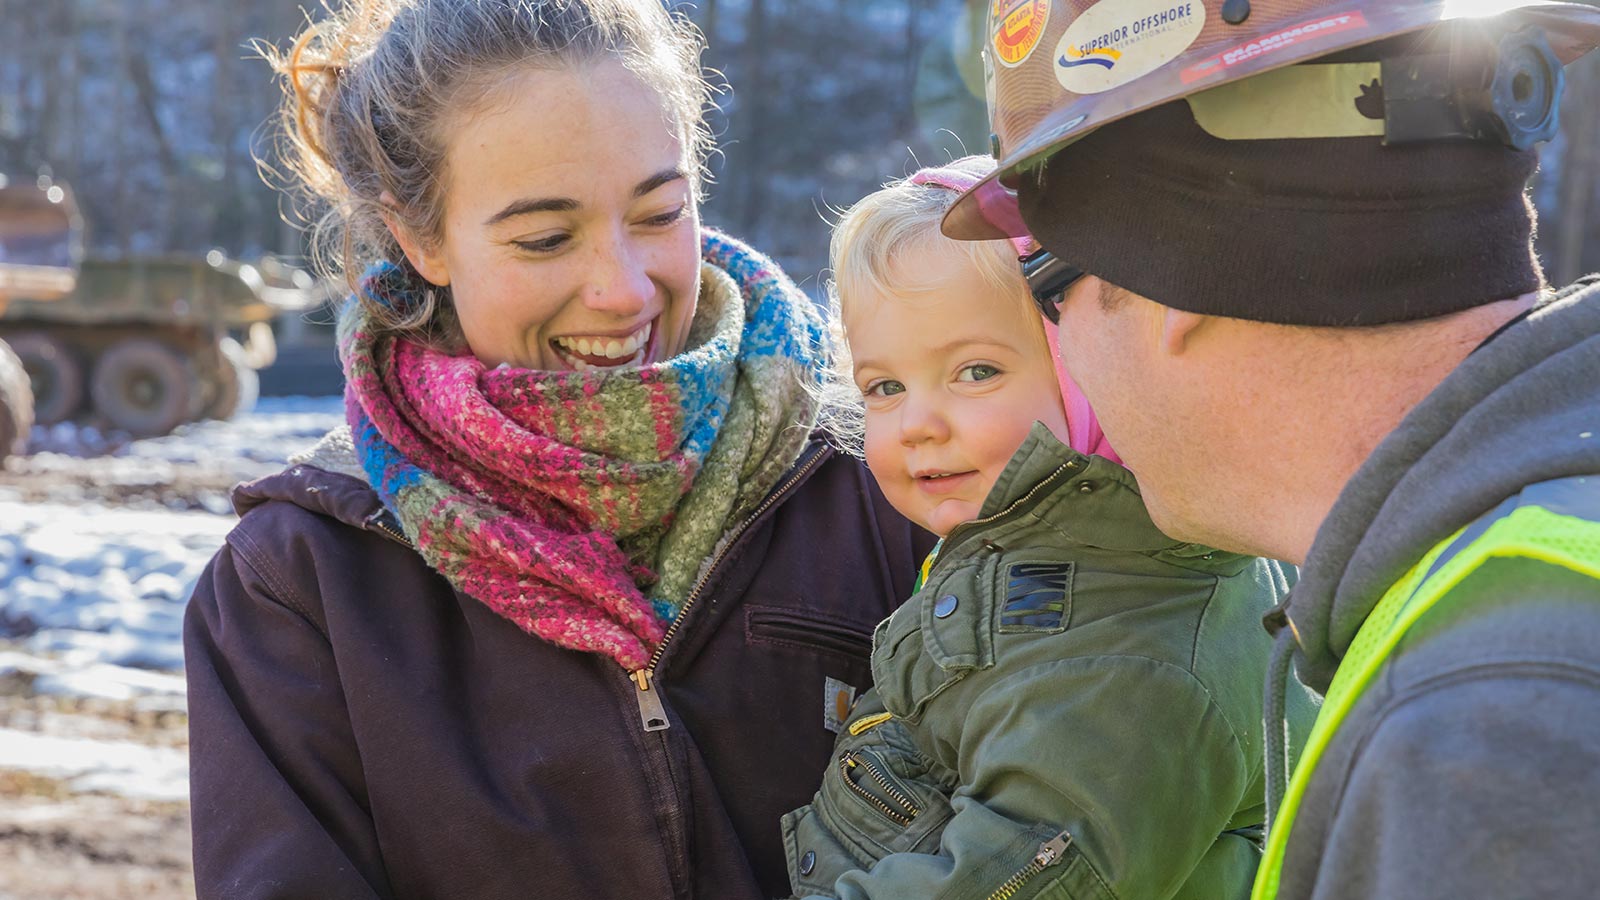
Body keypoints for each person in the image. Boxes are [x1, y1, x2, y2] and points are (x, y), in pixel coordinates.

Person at [182, 1, 934, 897]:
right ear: (422, 237)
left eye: (659, 213)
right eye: (545, 238)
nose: (622, 289)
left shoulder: (887, 481)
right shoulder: (300, 586)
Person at [941, 1, 1600, 898]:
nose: (1069, 363)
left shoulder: (1482, 727)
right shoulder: (1518, 577)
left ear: (1169, 274)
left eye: (1048, 290)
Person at [782, 157, 1313, 900]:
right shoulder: (1026, 543)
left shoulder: (1130, 656)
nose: (917, 425)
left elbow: (1001, 875)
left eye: (976, 372)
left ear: (1090, 371)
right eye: (885, 387)